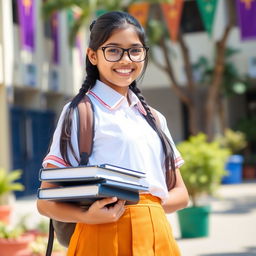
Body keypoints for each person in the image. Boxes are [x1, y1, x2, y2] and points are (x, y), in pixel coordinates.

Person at [37, 11, 189, 256]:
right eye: (114, 50)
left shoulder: (154, 118)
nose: (126, 59)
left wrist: (146, 206)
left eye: (135, 50)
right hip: (102, 235)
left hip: (158, 235)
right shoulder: (79, 112)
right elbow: (46, 202)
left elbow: (181, 195)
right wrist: (87, 215)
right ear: (93, 56)